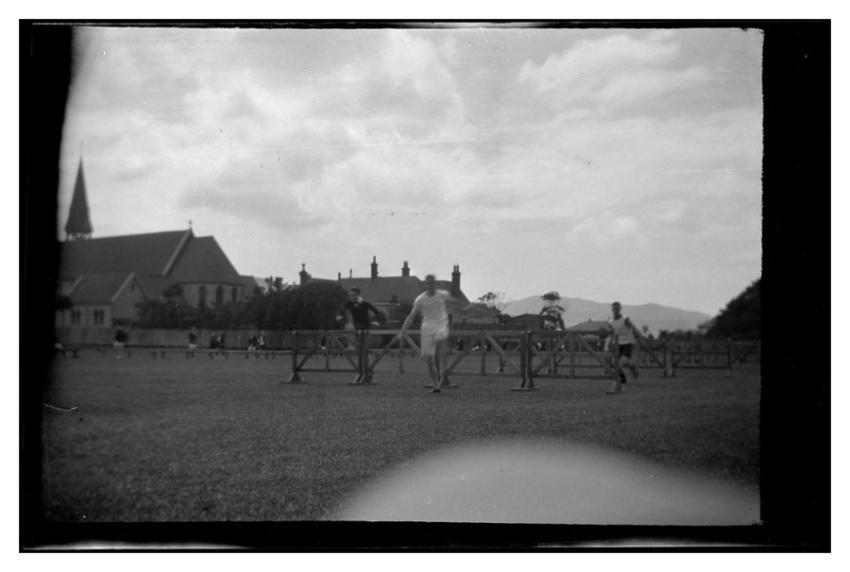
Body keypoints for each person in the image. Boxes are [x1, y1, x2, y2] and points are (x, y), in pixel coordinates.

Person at [399, 274, 469, 393]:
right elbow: (411, 316)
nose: (429, 285)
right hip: (427, 328)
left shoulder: (442, 294)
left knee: (441, 337)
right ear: (425, 285)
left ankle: (444, 362)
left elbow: (455, 300)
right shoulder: (420, 299)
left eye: (431, 283)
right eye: (427, 283)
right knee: (428, 359)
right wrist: (403, 331)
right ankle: (436, 385)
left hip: (441, 325)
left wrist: (463, 308)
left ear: (435, 284)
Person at [606, 301, 646, 394]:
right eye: (614, 308)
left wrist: (641, 340)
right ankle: (627, 374)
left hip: (628, 343)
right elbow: (611, 334)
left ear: (620, 309)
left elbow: (635, 329)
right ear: (612, 309)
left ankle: (623, 378)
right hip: (617, 344)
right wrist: (609, 343)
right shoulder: (610, 322)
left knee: (620, 363)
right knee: (614, 363)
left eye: (617, 308)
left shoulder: (625, 319)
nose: (615, 310)